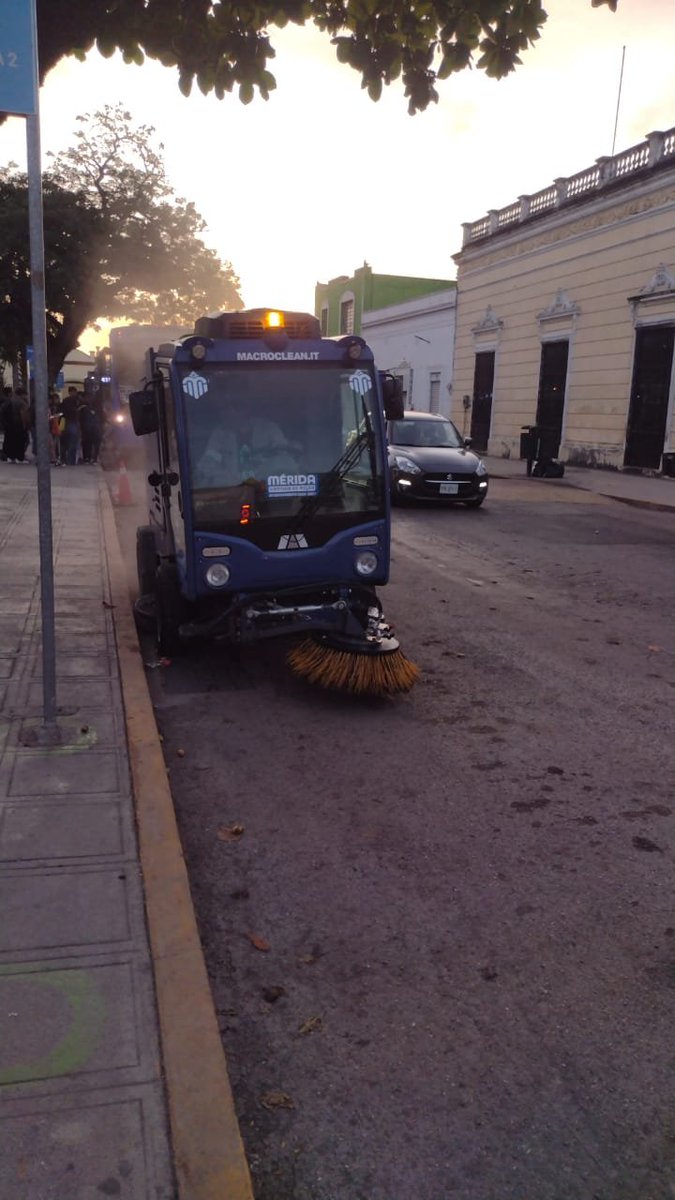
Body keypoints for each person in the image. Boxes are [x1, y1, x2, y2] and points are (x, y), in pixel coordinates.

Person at [1, 388, 30, 463]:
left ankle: (11, 457)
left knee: (11, 441)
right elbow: (23, 414)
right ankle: (20, 457)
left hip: (9, 425)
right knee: (21, 441)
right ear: (22, 394)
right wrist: (25, 425)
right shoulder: (22, 402)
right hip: (19, 425)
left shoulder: (9, 401)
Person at [60, 386, 81, 465]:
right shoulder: (72, 401)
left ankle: (70, 459)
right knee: (72, 442)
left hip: (70, 422)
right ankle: (70, 460)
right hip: (71, 422)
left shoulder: (69, 400)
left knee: (71, 442)